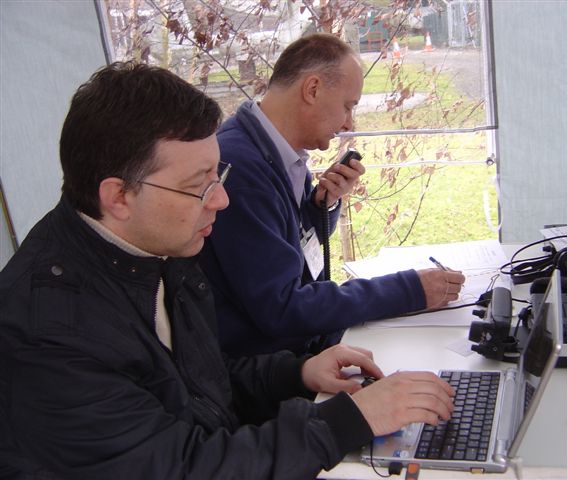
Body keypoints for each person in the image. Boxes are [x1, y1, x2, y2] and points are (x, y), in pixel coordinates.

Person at [0, 61, 455, 480]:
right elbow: (182, 466)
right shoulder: (49, 334)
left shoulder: (156, 249)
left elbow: (196, 383)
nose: (221, 200)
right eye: (198, 186)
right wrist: (348, 421)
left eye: (219, 175)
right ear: (118, 196)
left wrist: (295, 373)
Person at [199, 33, 465, 357]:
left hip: (299, 348)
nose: (349, 124)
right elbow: (282, 308)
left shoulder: (276, 155)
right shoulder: (242, 171)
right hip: (275, 374)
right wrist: (410, 290)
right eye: (348, 106)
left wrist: (321, 207)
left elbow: (284, 246)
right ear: (312, 89)